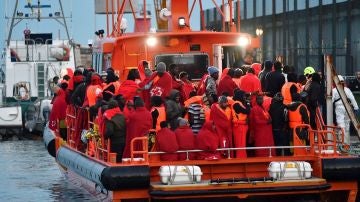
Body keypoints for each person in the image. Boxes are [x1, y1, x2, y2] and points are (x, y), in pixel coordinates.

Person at [332, 75, 359, 145]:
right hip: (348, 108)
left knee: (341, 124)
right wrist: (356, 108)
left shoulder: (334, 90)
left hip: (339, 108)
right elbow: (352, 99)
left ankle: (342, 142)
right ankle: (347, 143)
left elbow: (331, 101)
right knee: (347, 125)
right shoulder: (347, 90)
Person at [231, 89, 250, 158]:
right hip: (239, 127)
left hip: (242, 126)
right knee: (240, 144)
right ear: (240, 96)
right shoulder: (236, 104)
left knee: (242, 144)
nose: (244, 97)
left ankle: (242, 157)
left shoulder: (239, 103)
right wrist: (248, 103)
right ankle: (241, 158)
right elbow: (247, 111)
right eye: (243, 96)